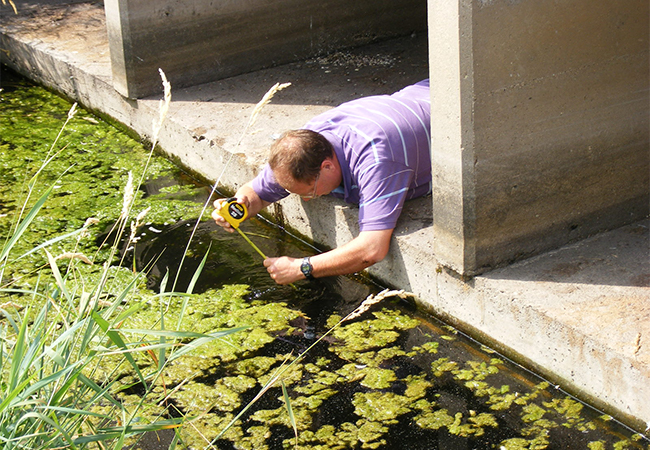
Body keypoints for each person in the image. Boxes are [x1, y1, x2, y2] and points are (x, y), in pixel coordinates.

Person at [212, 79, 431, 285]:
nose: (306, 199)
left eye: (310, 191)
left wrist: (302, 267)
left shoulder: (377, 161)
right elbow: (256, 192)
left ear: (327, 166)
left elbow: (372, 249)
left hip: (455, 112)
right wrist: (239, 205)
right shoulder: (305, 145)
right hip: (419, 95)